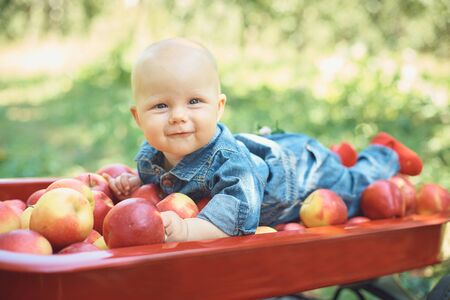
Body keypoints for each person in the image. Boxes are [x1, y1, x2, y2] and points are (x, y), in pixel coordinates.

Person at [105, 38, 423, 243]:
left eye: (194, 102)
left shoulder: (232, 167)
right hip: (272, 151)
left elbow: (234, 217)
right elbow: (159, 177)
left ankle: (384, 152)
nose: (177, 116)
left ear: (219, 108)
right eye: (160, 106)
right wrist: (133, 181)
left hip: (304, 174)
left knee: (356, 187)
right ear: (138, 117)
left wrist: (187, 230)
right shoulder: (151, 154)